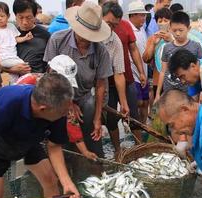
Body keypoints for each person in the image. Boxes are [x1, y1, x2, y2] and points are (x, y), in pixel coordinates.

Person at [44, 2, 112, 158]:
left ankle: (94, 160)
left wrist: (97, 118)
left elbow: (101, 85)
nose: (87, 40)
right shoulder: (57, 40)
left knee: (92, 130)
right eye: (85, 34)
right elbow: (51, 76)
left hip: (85, 95)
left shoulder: (100, 51)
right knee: (65, 137)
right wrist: (69, 103)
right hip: (59, 96)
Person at [101, 1, 146, 154]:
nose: (111, 28)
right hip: (105, 86)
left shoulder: (120, 33)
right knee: (111, 119)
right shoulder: (92, 35)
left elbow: (132, 51)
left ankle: (139, 148)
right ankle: (117, 150)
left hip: (125, 79)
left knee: (133, 115)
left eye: (114, 25)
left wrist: (141, 71)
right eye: (108, 23)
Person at [155, 11, 202, 102]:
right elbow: (163, 71)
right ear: (169, 29)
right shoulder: (167, 47)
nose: (177, 33)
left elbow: (200, 70)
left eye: (181, 30)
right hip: (169, 91)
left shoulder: (196, 46)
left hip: (189, 92)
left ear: (188, 28)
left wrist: (201, 92)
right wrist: (158, 94)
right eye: (174, 30)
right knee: (158, 114)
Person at [0, 1, 32, 82]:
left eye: (2, 16)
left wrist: (25, 38)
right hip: (5, 58)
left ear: (8, 16)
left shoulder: (11, 26)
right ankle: (23, 82)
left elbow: (16, 39)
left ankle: (13, 84)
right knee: (25, 66)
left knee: (14, 74)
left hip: (13, 57)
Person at [143, 7, 172, 102]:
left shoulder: (176, 37)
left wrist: (171, 40)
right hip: (157, 80)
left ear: (171, 22)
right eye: (160, 21)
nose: (163, 23)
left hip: (175, 81)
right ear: (156, 22)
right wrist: (153, 44)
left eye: (166, 20)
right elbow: (146, 59)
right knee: (158, 112)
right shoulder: (153, 38)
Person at [128, 2, 150, 124]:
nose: (143, 18)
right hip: (133, 72)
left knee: (145, 102)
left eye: (144, 15)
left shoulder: (142, 29)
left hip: (144, 71)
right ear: (132, 15)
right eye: (141, 15)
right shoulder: (128, 29)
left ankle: (143, 126)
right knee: (137, 102)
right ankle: (133, 126)